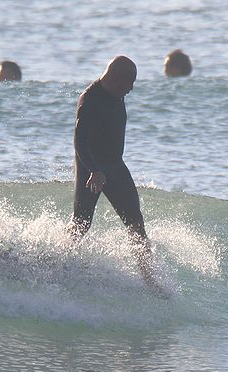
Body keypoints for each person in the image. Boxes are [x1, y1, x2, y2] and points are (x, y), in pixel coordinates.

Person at [66, 56, 162, 292]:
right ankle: (59, 262)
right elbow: (79, 142)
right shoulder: (89, 99)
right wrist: (94, 170)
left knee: (136, 222)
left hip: (115, 166)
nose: (131, 89)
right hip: (92, 169)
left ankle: (150, 281)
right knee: (81, 223)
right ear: (116, 79)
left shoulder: (116, 94)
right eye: (130, 83)